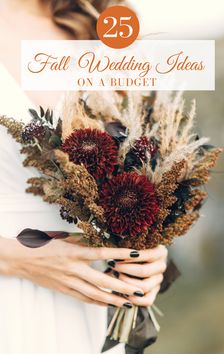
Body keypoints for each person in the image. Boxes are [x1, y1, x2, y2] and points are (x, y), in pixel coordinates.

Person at [0, 1, 168, 354]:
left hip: (86, 308)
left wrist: (148, 253)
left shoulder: (97, 29)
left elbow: (131, 167)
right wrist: (13, 258)